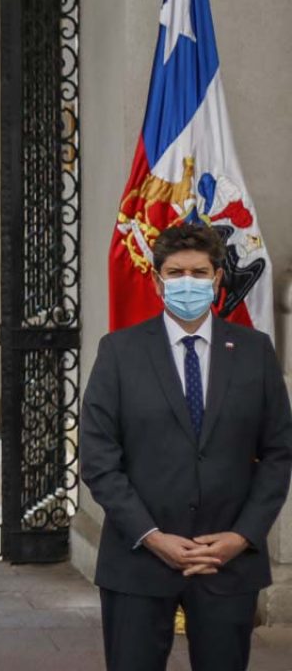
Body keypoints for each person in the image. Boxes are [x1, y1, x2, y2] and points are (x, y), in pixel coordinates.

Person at [80, 223, 292, 671]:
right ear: (157, 281)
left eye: (199, 273)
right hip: (138, 561)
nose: (188, 282)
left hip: (226, 562)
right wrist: (152, 537)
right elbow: (99, 458)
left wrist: (241, 536)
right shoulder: (119, 352)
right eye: (176, 273)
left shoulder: (255, 352)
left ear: (217, 279)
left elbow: (277, 454)